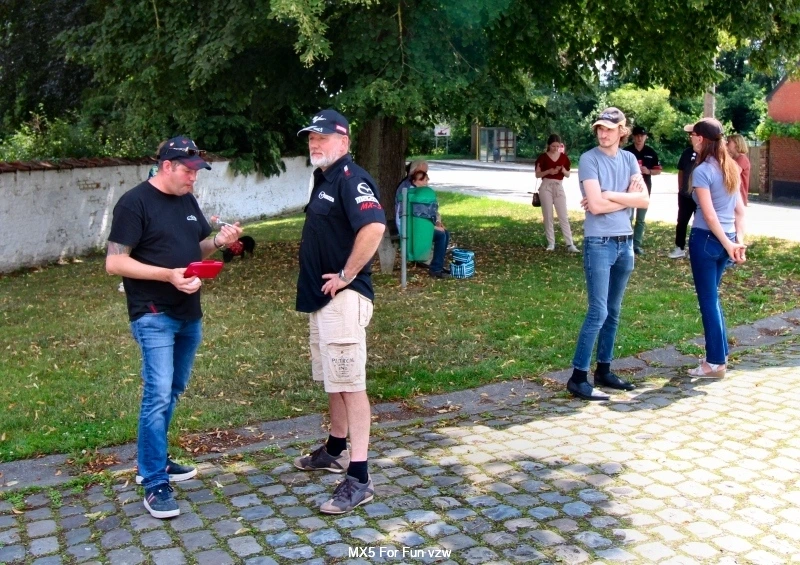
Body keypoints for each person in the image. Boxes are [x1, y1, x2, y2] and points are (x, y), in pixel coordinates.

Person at [106, 137, 242, 519]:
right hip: (153, 313)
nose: (193, 178)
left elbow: (194, 249)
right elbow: (115, 263)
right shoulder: (134, 203)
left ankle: (156, 459)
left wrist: (218, 242)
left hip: (188, 313)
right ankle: (153, 481)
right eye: (188, 170)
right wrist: (168, 275)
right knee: (157, 394)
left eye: (197, 171)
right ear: (167, 166)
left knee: (172, 390)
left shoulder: (186, 200)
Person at [292, 109, 386, 514]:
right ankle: (334, 449)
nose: (315, 143)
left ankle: (359, 477)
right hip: (322, 298)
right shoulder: (324, 178)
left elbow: (374, 227)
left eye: (323, 137)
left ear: (344, 142)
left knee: (350, 383)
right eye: (311, 137)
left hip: (344, 300)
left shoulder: (351, 179)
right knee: (333, 379)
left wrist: (347, 274)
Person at [567, 108, 650, 401]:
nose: (603, 134)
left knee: (613, 311)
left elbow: (644, 200)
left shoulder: (629, 159)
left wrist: (609, 195)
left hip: (625, 243)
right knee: (598, 311)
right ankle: (578, 377)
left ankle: (604, 370)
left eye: (609, 129)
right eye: (600, 129)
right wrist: (625, 197)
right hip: (599, 243)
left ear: (621, 131)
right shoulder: (589, 159)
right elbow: (597, 207)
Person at [686, 118, 747, 378]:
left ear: (700, 139)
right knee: (713, 299)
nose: (690, 138)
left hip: (707, 240)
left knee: (708, 301)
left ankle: (714, 363)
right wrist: (736, 242)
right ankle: (720, 356)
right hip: (726, 240)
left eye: (692, 135)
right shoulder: (731, 166)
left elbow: (709, 216)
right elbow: (740, 211)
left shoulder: (702, 171)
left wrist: (729, 243)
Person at [395, 160, 451, 277]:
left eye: (426, 178)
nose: (426, 182)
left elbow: (431, 211)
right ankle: (436, 269)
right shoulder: (410, 192)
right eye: (422, 179)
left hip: (419, 226)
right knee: (441, 235)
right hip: (411, 228)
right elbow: (417, 218)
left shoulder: (421, 192)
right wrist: (433, 227)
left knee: (445, 233)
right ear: (414, 179)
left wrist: (437, 222)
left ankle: (438, 266)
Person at [534, 134, 579, 253]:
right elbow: (537, 174)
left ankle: (570, 244)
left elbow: (568, 174)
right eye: (553, 146)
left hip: (559, 186)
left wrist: (562, 170)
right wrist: (549, 171)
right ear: (549, 145)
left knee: (563, 216)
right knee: (548, 216)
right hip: (546, 186)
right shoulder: (543, 157)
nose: (555, 148)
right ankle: (551, 243)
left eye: (557, 146)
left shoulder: (564, 158)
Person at [623, 125, 662, 255]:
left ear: (646, 137)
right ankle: (626, 243)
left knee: (640, 219)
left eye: (642, 136)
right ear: (633, 137)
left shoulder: (651, 152)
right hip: (628, 189)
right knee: (627, 217)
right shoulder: (626, 152)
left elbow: (658, 170)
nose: (639, 138)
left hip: (644, 190)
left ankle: (636, 244)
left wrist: (648, 171)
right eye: (637, 136)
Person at [668, 131, 698, 259]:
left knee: (698, 223)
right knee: (681, 221)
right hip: (685, 194)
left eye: (693, 135)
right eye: (690, 135)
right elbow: (681, 170)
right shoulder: (686, 152)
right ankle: (679, 247)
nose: (691, 138)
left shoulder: (707, 153)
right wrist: (680, 187)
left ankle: (695, 249)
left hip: (700, 195)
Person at [727, 134, 751, 206]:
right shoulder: (734, 159)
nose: (726, 144)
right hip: (734, 196)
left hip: (739, 196)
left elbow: (733, 173)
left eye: (729, 142)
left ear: (736, 143)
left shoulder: (742, 158)